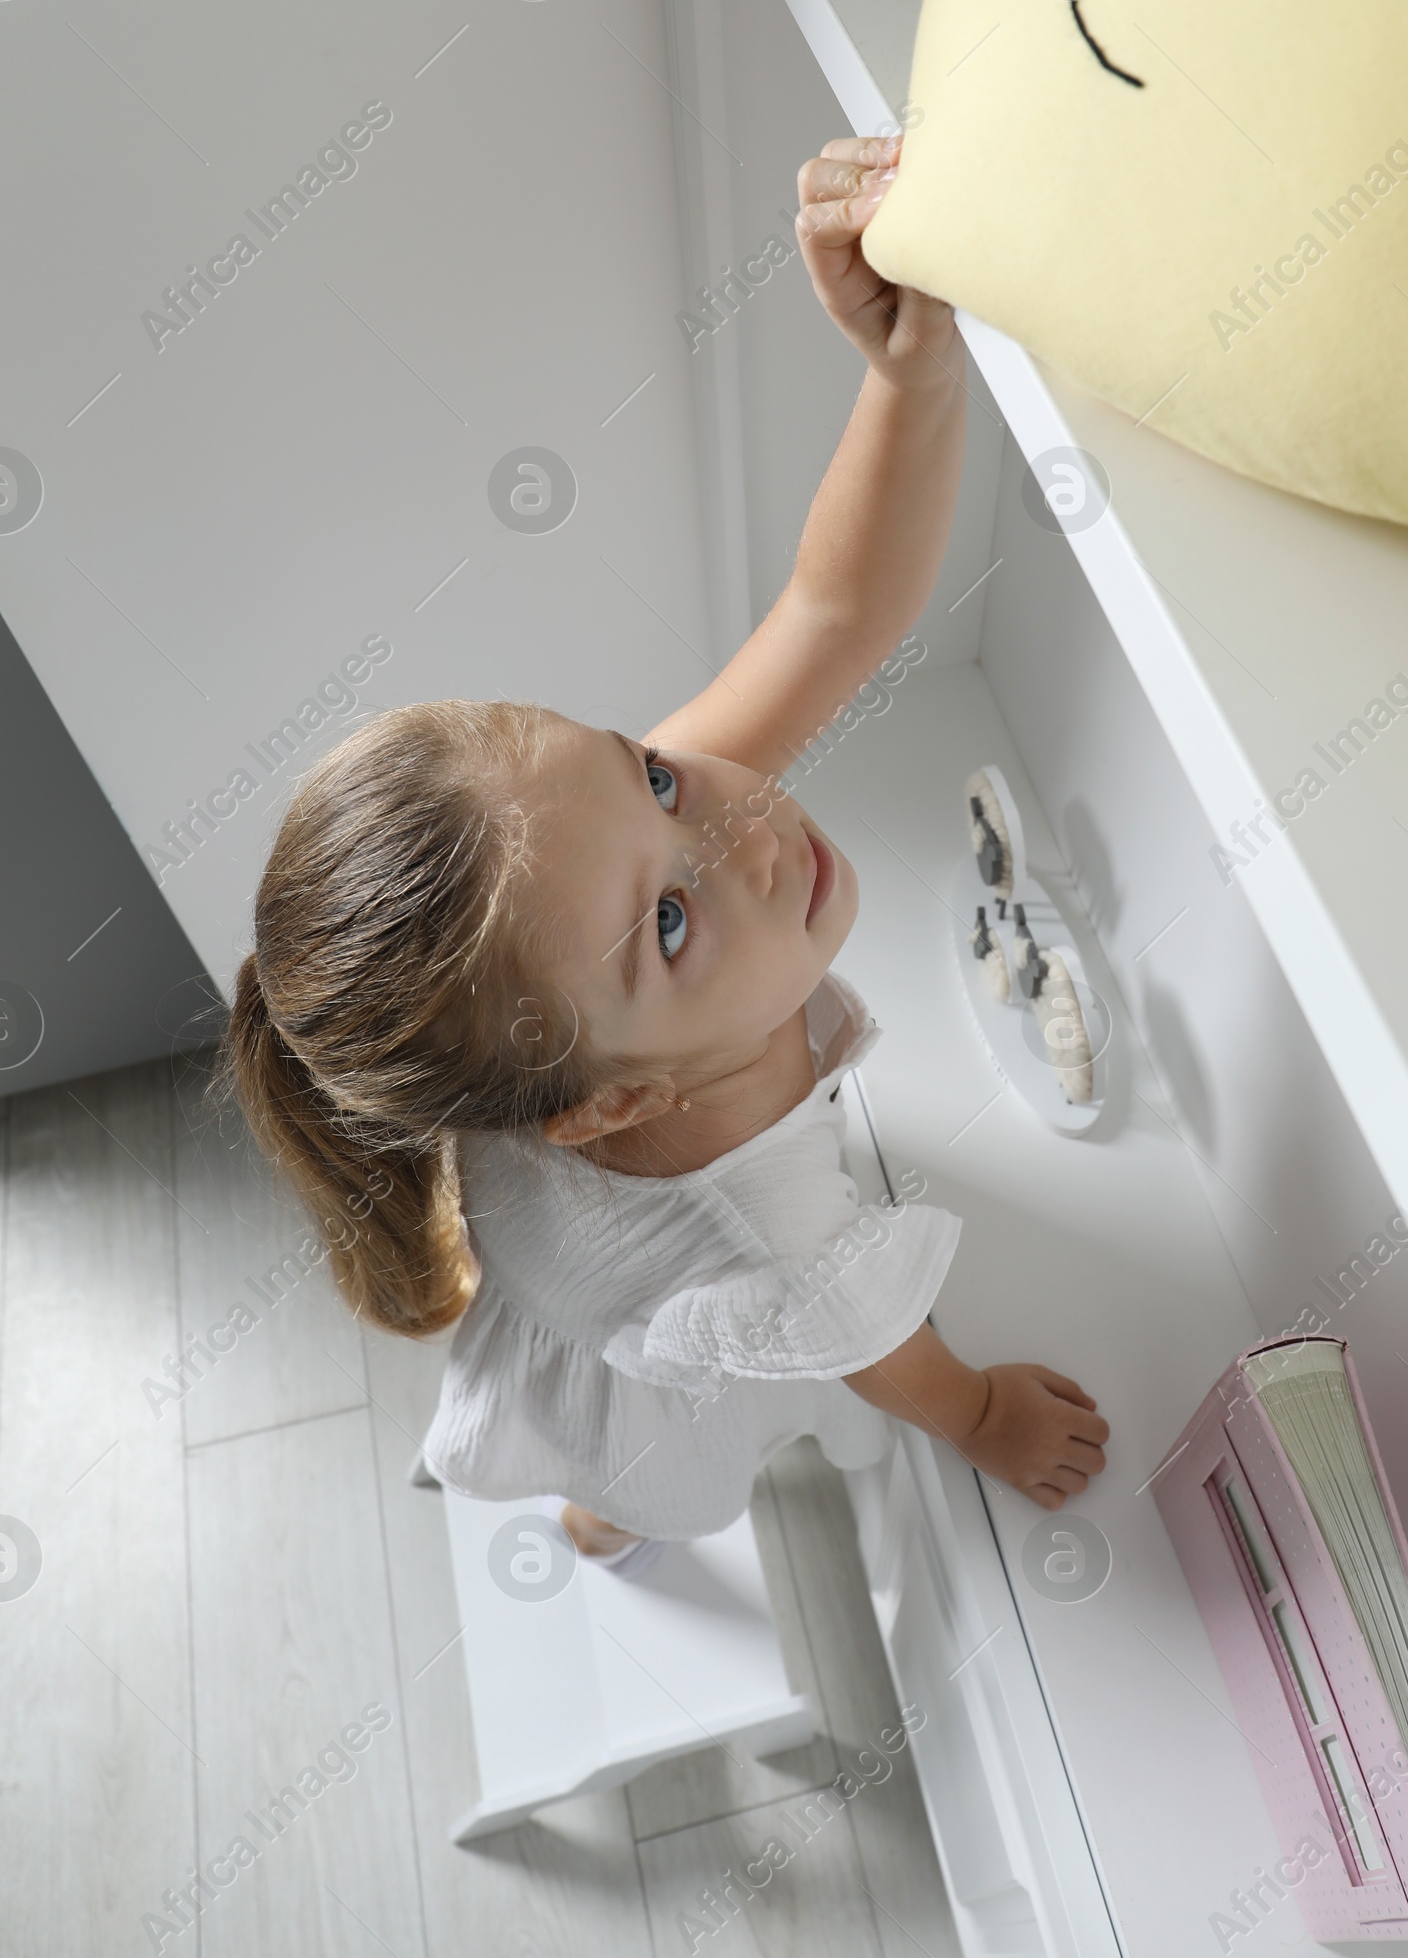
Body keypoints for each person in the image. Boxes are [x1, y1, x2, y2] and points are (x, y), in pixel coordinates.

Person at [214, 134, 1109, 1567]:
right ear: (599, 1111)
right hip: (619, 1343)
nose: (745, 824)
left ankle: (589, 1504)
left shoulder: (602, 907)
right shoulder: (781, 1225)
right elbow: (887, 1354)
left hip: (575, 1247)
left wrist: (907, 373)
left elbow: (831, 612)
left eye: (648, 769)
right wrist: (987, 1411)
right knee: (630, 1464)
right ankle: (597, 1513)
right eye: (673, 926)